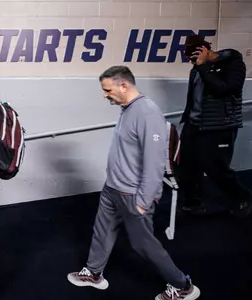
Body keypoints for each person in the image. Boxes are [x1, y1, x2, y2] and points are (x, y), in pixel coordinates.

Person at [67, 66, 201, 300]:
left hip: (132, 193)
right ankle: (94, 272)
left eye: (108, 89)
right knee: (102, 231)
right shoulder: (128, 109)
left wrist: (144, 200)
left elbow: (155, 162)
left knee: (143, 245)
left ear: (124, 85)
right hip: (113, 188)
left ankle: (182, 285)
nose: (105, 94)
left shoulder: (147, 113)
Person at [178, 33, 252, 217]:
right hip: (194, 125)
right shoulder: (197, 68)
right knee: (186, 166)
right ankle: (193, 203)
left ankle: (243, 198)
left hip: (219, 127)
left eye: (192, 56)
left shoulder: (233, 64)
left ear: (203, 50)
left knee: (215, 168)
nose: (191, 61)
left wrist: (204, 66)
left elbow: (224, 89)